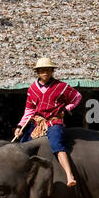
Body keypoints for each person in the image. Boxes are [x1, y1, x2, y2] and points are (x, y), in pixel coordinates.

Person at [12, 56, 82, 187]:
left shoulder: (61, 87)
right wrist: (19, 126)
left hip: (54, 122)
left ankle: (69, 175)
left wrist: (67, 109)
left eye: (48, 69)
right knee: (22, 144)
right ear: (37, 72)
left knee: (57, 145)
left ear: (52, 71)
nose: (45, 72)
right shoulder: (32, 89)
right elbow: (29, 111)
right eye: (42, 70)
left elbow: (77, 97)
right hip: (37, 122)